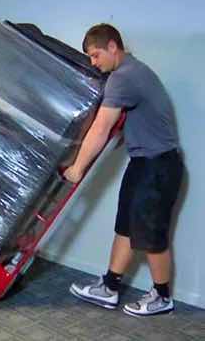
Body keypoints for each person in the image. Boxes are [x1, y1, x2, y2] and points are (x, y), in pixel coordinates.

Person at [65, 24, 183, 317]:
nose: (94, 63)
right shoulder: (134, 72)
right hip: (144, 162)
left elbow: (101, 128)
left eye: (95, 55)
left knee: (151, 234)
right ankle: (110, 286)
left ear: (112, 47)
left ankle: (162, 296)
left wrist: (77, 168)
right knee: (126, 227)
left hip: (158, 166)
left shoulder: (123, 77)